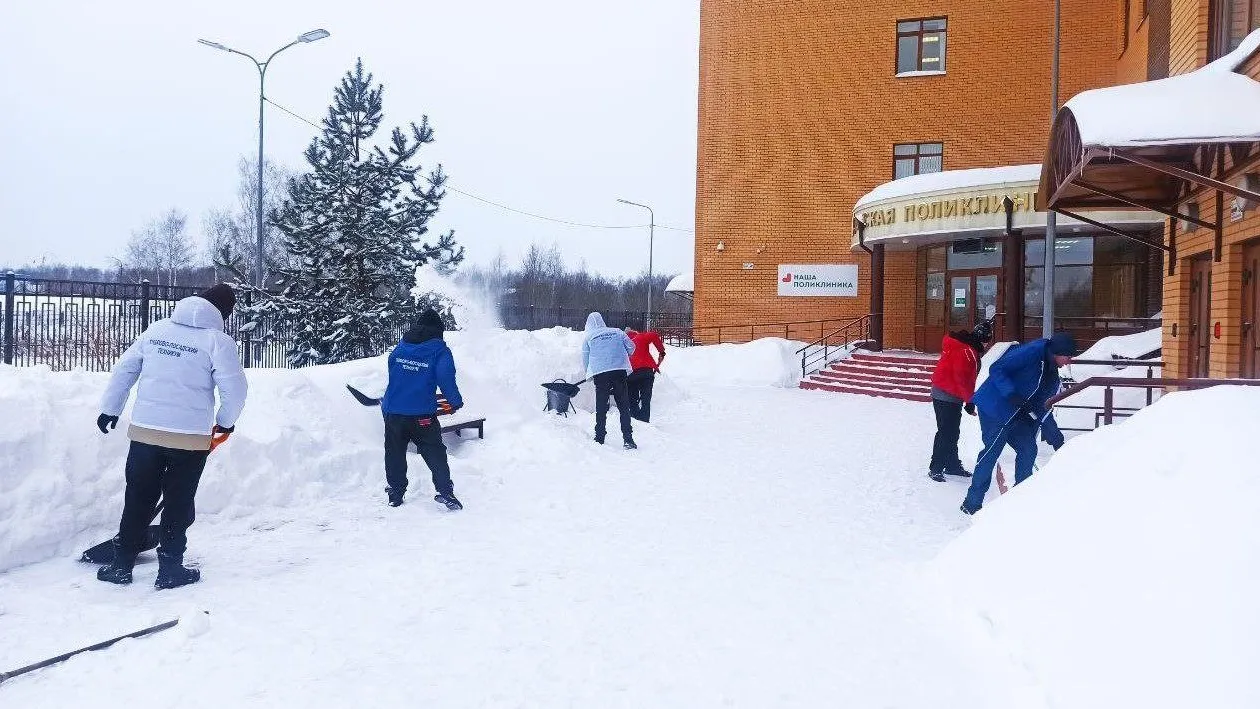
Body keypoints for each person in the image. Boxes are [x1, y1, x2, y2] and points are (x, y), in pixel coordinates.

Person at [95, 283, 248, 589]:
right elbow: (235, 389)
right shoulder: (218, 341)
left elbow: (125, 369)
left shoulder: (156, 330)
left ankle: (121, 565)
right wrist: (225, 424)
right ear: (223, 313)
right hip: (189, 440)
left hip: (145, 433)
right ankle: (170, 570)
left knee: (138, 496)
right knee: (178, 502)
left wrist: (110, 408)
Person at [960, 332, 1076, 515]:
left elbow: (1043, 408)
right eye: (1068, 357)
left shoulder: (1052, 374)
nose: (1069, 362)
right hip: (995, 407)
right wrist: (1011, 394)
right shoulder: (1032, 352)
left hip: (1015, 414)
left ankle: (1019, 498)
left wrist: (1058, 442)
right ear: (1057, 352)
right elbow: (997, 369)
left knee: (1028, 448)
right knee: (992, 451)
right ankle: (972, 503)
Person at [381, 309, 465, 510]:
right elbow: (446, 378)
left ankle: (396, 491)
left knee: (394, 452)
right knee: (434, 451)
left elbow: (392, 368)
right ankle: (445, 492)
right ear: (438, 331)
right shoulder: (440, 351)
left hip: (393, 412)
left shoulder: (401, 347)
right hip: (422, 416)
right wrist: (455, 402)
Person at [927, 319, 992, 482]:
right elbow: (962, 378)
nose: (987, 345)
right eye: (987, 341)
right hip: (945, 394)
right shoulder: (966, 351)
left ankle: (951, 465)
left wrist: (967, 399)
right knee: (946, 432)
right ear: (982, 340)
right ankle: (935, 468)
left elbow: (966, 379)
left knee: (952, 431)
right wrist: (969, 401)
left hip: (950, 393)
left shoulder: (967, 347)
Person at [582, 312, 637, 449]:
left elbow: (585, 359)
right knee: (624, 406)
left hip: (600, 375)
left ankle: (599, 438)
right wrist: (622, 354)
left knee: (601, 407)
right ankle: (628, 440)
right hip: (619, 371)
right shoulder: (617, 332)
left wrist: (589, 374)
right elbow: (631, 347)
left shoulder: (588, 337)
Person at [625, 321, 666, 422]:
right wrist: (661, 352)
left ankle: (636, 421)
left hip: (631, 374)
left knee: (632, 399)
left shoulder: (624, 342)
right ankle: (645, 421)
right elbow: (654, 335)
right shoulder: (641, 337)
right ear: (635, 332)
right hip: (647, 372)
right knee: (646, 399)